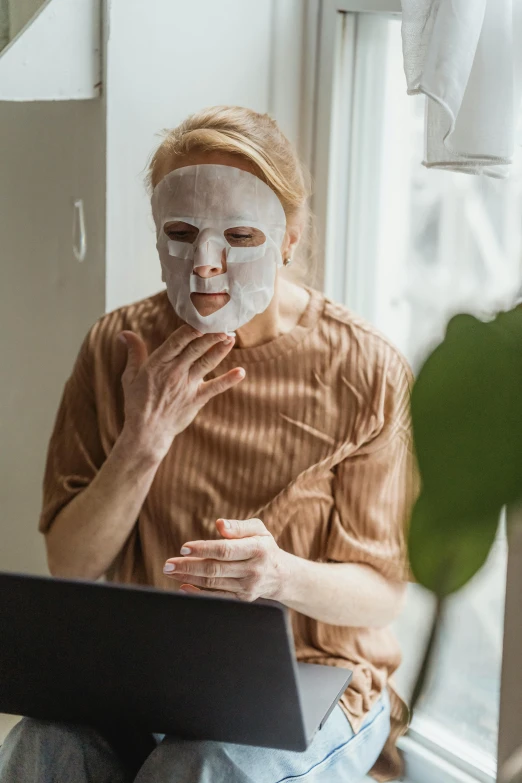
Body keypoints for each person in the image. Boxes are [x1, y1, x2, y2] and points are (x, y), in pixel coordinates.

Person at [0, 106, 415, 783]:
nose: (205, 265)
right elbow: (71, 563)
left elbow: (383, 594)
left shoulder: (365, 369)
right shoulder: (117, 348)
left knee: (199, 766)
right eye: (181, 233)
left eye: (240, 235)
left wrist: (280, 574)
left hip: (321, 676)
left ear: (290, 237)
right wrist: (145, 437)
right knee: (42, 745)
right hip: (148, 672)